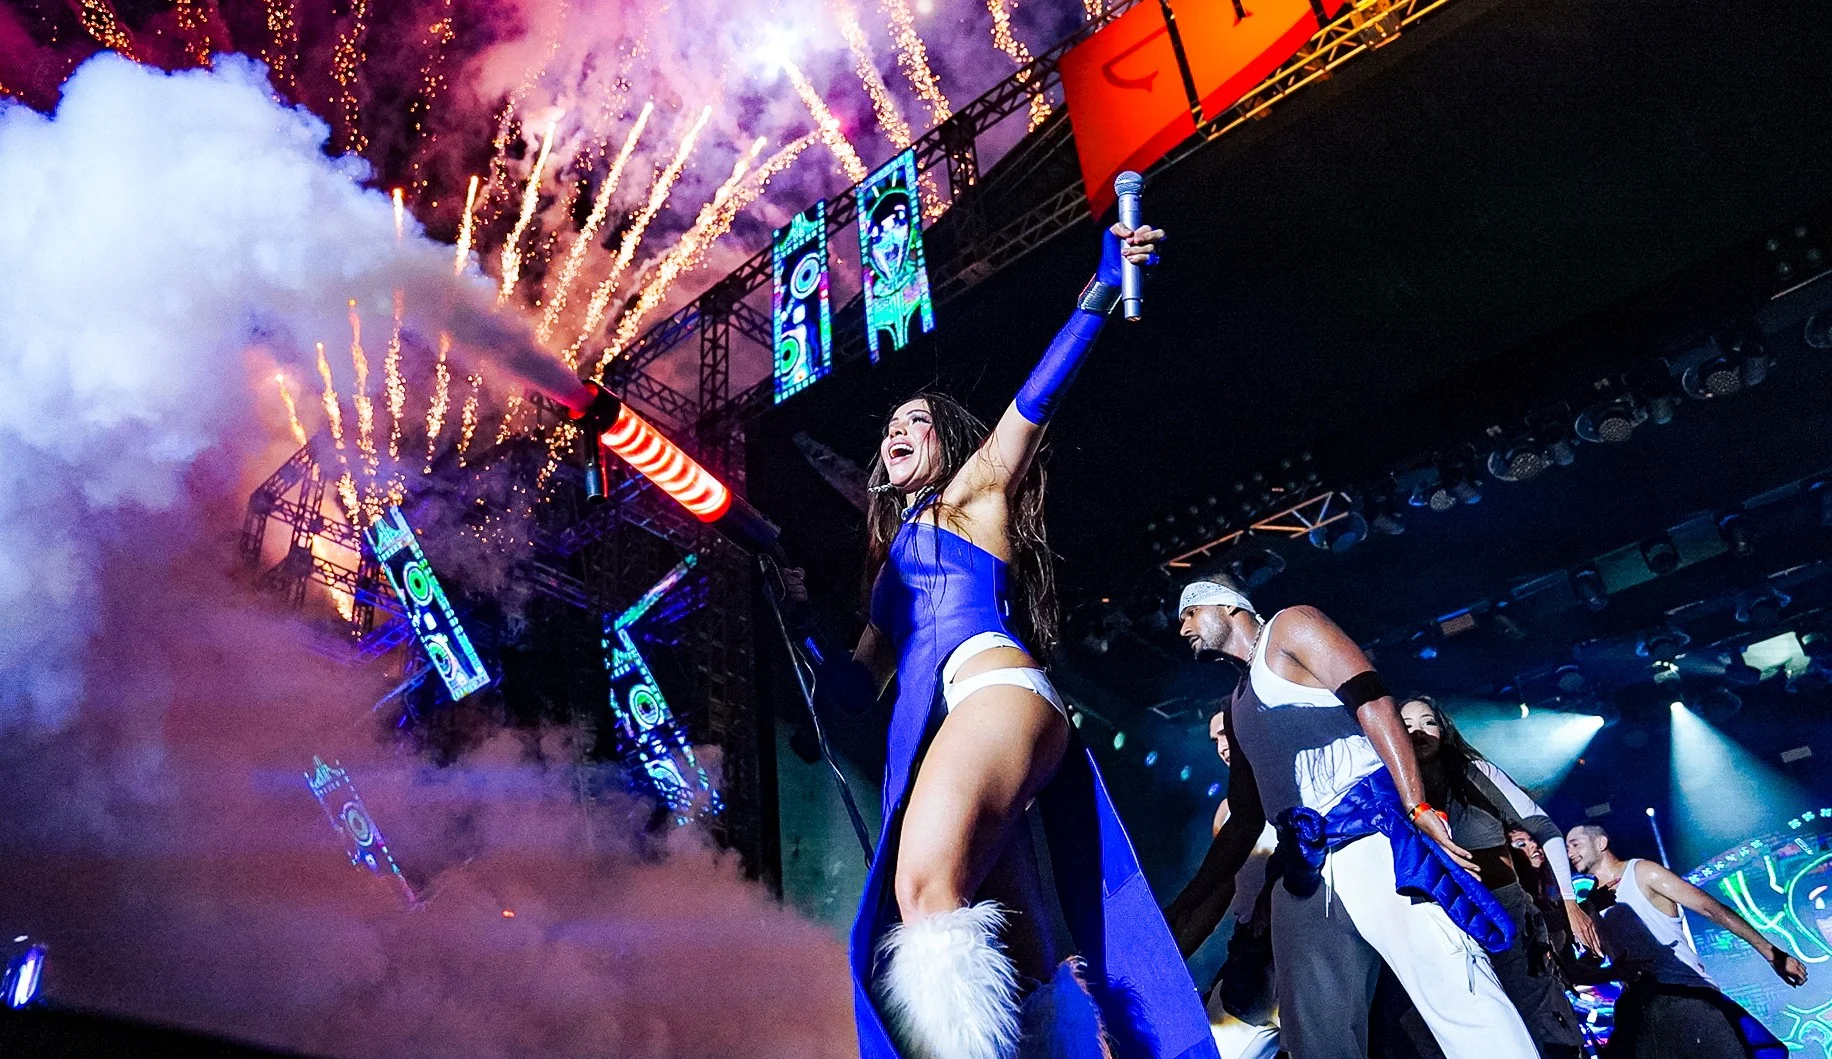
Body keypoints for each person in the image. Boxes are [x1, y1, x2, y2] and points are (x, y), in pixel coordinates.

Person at [796, 220, 1216, 1059]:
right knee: (1025, 968)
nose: (895, 430)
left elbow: (1036, 399)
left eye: (916, 421)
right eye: (890, 425)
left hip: (996, 695)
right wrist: (801, 618)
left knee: (925, 889)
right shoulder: (888, 579)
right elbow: (854, 689)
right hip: (963, 727)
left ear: (949, 443)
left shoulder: (971, 498)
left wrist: (1101, 290)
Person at [1164, 571, 1537, 1059]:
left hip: (1370, 840)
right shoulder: (1235, 707)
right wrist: (1183, 906)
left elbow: (1374, 700)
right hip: (1303, 873)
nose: (1183, 628)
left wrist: (1417, 803)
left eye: (1191, 613)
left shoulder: (1291, 626)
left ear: (1228, 605)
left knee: (1455, 992)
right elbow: (1245, 819)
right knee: (1314, 1036)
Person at [1397, 697, 1590, 1059]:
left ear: (1444, 731)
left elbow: (1542, 826)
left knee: (1537, 1023)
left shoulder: (1474, 772)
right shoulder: (1391, 786)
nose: (1418, 732)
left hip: (1506, 914)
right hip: (1443, 923)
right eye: (1406, 725)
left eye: (1427, 722)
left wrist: (1569, 902)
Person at [1565, 823, 1804, 1058]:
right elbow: (1585, 965)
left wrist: (1771, 953)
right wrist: (1610, 972)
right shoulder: (1592, 905)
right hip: (1645, 1013)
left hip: (1687, 998)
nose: (1569, 853)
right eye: (1566, 848)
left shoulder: (1642, 872)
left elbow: (1712, 909)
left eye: (1575, 844)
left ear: (1601, 842)